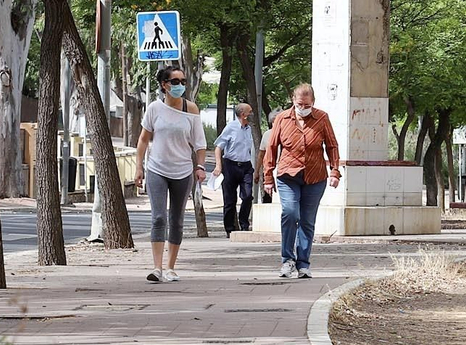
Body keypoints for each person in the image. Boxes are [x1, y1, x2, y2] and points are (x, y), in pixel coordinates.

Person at [133, 65, 206, 283]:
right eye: (175, 82)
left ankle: (171, 267)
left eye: (183, 82)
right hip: (157, 168)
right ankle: (157, 268)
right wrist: (139, 166)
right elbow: (144, 139)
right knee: (158, 218)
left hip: (183, 171)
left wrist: (200, 167)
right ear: (164, 85)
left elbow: (200, 143)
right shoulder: (154, 108)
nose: (180, 86)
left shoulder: (191, 109)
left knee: (177, 219)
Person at [262, 83, 341, 279]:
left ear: (313, 102)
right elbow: (271, 148)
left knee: (307, 220)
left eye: (307, 104)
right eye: (300, 104)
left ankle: (303, 263)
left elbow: (332, 145)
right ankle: (287, 260)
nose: (303, 108)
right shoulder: (282, 119)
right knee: (290, 213)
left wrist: (335, 171)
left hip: (315, 177)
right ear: (293, 101)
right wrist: (268, 177)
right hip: (288, 175)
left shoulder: (321, 118)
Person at [212, 103, 256, 235]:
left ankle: (244, 225)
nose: (252, 114)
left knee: (248, 196)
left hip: (246, 166)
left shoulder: (248, 128)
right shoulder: (231, 127)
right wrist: (219, 165)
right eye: (250, 112)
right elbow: (218, 147)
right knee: (230, 200)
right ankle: (230, 229)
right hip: (230, 165)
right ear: (243, 114)